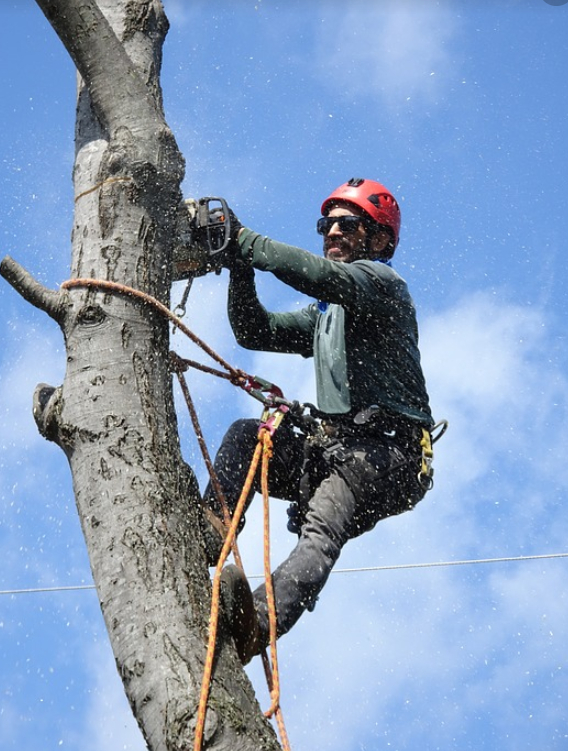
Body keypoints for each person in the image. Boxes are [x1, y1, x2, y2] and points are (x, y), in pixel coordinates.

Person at [201, 178, 435, 664]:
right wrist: (238, 267)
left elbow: (320, 277)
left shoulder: (382, 286)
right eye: (325, 224)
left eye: (347, 225)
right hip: (338, 446)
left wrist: (245, 242)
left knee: (321, 529)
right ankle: (213, 526)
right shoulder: (328, 314)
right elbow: (254, 330)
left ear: (379, 240)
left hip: (388, 453)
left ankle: (258, 625)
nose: (332, 232)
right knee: (248, 437)